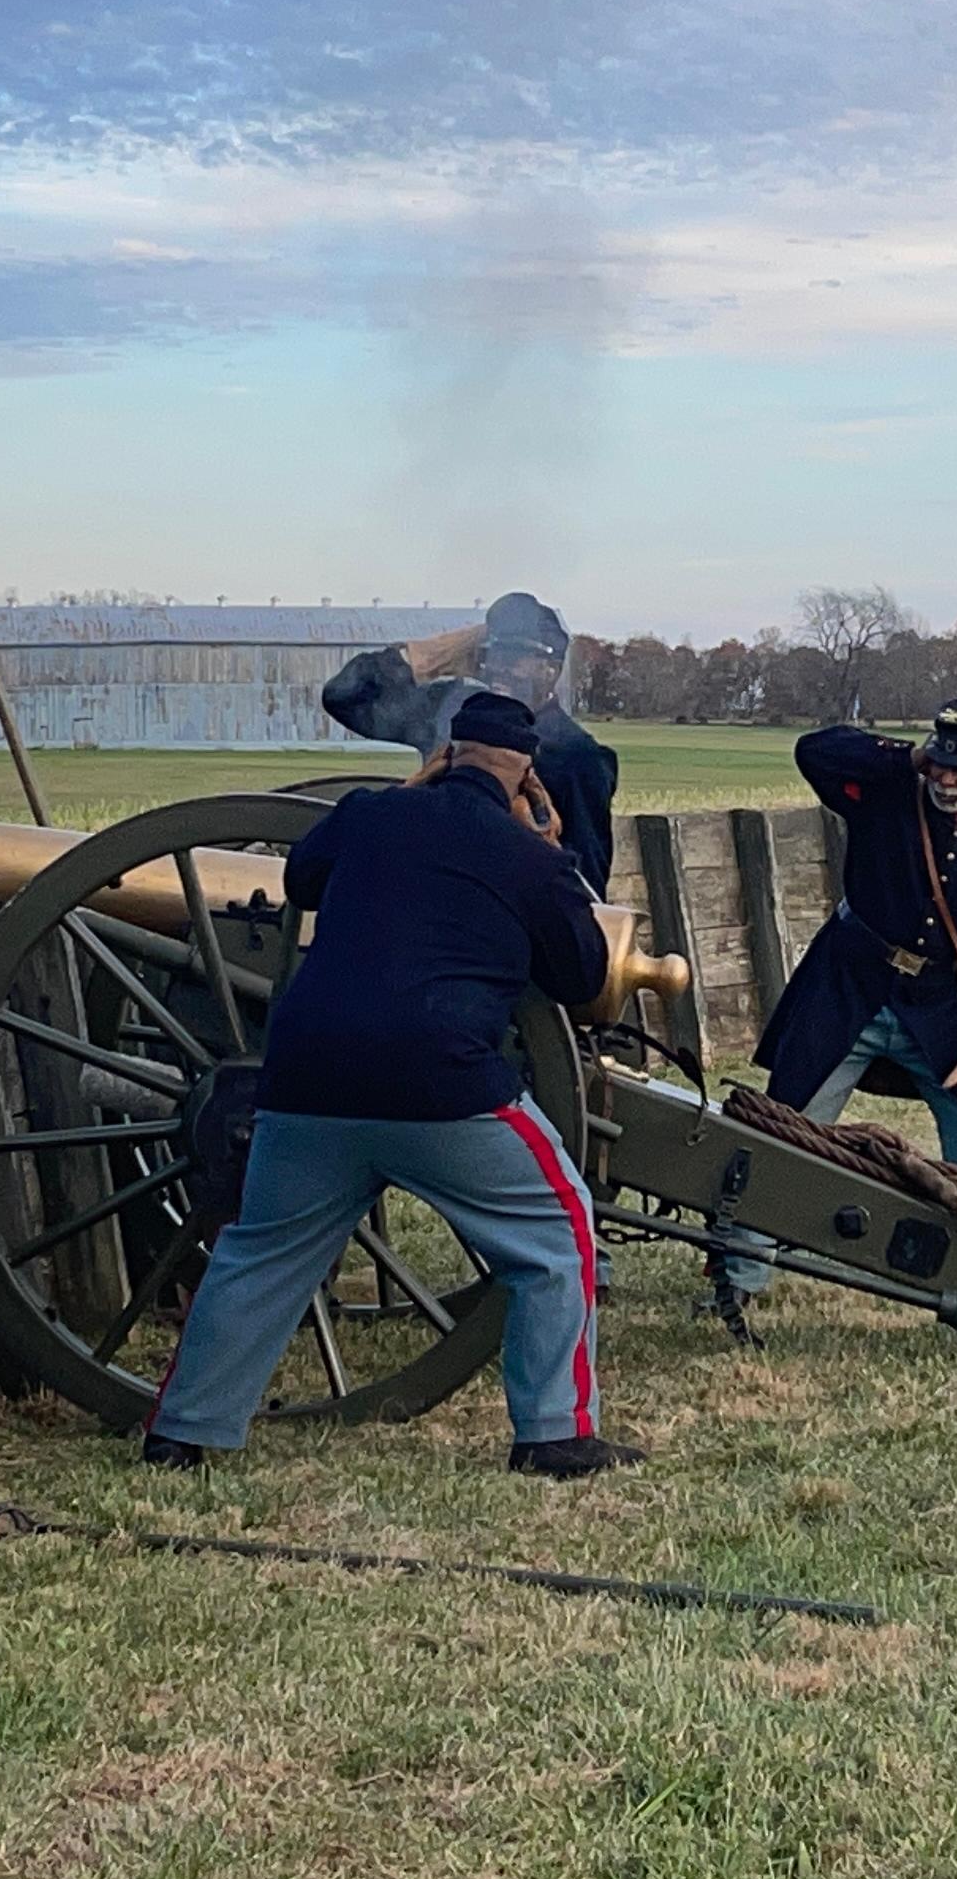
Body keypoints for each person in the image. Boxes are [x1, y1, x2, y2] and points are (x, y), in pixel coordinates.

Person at [141, 692, 645, 1479]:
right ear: (527, 773)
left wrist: (406, 796)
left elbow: (302, 877)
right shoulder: (531, 857)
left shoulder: (369, 814)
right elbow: (580, 974)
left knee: (258, 1252)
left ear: (446, 751)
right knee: (560, 1234)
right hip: (439, 1083)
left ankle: (184, 1430)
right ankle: (554, 1432)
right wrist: (548, 850)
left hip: (306, 1078)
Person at [712, 700, 957, 1305]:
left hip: (933, 1003)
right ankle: (739, 1276)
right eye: (940, 764)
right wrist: (908, 757)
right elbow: (815, 750)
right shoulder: (889, 790)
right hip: (846, 986)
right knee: (789, 1131)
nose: (947, 780)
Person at [323, 592, 620, 891]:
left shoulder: (578, 757)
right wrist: (433, 654)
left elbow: (587, 882)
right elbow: (343, 697)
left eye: (516, 656)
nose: (499, 667)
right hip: (426, 890)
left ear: (550, 669)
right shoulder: (451, 709)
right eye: (494, 653)